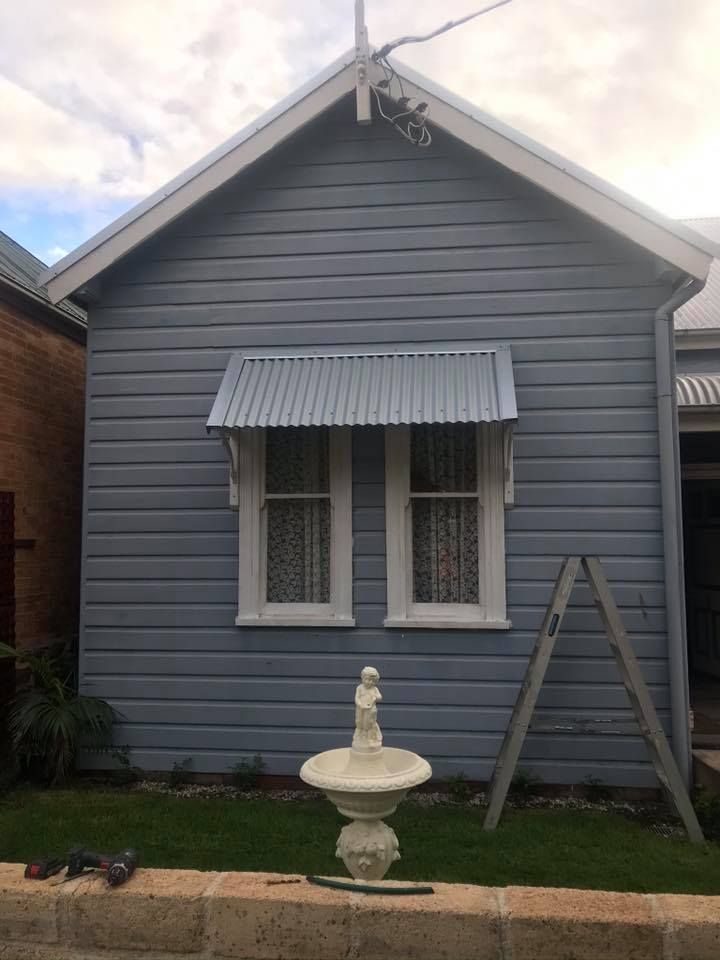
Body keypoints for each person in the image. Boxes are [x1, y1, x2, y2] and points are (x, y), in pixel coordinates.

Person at [353, 666, 382, 749]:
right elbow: (356, 698)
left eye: (373, 681)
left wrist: (375, 697)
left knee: (369, 723)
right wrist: (360, 704)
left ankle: (369, 738)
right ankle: (359, 736)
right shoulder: (359, 688)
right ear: (362, 678)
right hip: (360, 709)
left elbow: (380, 697)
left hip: (371, 710)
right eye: (367, 679)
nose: (370, 682)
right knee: (359, 722)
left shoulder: (374, 689)